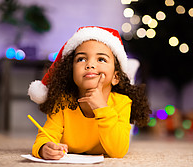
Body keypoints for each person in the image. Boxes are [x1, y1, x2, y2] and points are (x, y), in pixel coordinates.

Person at [28, 26, 151, 159]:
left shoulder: (122, 102)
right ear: (71, 72)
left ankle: (129, 71)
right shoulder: (62, 102)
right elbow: (46, 136)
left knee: (126, 135)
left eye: (101, 59)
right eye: (81, 59)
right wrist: (44, 148)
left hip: (115, 129)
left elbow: (118, 152)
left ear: (116, 77)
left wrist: (102, 108)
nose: (90, 64)